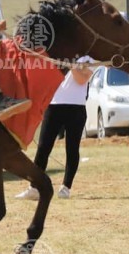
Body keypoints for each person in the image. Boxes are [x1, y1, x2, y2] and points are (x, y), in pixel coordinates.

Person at [15, 57, 93, 201]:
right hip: (53, 105)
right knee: (43, 148)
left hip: (76, 107)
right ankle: (34, 188)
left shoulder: (87, 57)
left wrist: (71, 64)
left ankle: (66, 187)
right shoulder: (57, 53)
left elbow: (82, 80)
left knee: (72, 148)